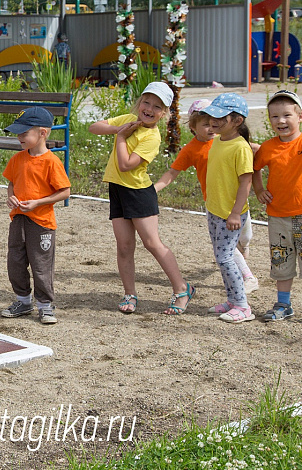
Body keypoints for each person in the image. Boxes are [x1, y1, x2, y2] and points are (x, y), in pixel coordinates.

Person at [89, 81, 195, 315]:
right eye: (146, 102)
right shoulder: (128, 119)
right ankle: (130, 293)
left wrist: (121, 138)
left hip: (138, 193)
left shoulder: (152, 137)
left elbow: (126, 165)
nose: (149, 108)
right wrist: (120, 129)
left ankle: (182, 289)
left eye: (157, 106)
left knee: (152, 243)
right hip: (117, 190)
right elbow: (94, 127)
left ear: (164, 113)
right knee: (124, 246)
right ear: (139, 102)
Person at [154, 99, 259, 293]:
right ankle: (248, 277)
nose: (211, 126)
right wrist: (153, 189)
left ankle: (242, 257)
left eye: (215, 120)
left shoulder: (226, 140)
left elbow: (255, 150)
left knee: (245, 239)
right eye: (205, 123)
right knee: (228, 248)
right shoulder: (190, 150)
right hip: (216, 204)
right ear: (193, 127)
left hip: (238, 203)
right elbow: (172, 173)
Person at [0, 107, 71, 324]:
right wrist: (11, 197)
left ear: (43, 133)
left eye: (24, 133)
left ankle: (45, 305)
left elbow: (65, 191)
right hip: (19, 218)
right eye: (18, 133)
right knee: (16, 261)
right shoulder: (17, 159)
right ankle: (23, 300)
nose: (19, 137)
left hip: (41, 222)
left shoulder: (51, 162)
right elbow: (11, 183)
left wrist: (38, 203)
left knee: (41, 265)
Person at [199, 94, 256, 323]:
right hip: (215, 210)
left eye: (220, 116)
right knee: (221, 256)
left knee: (225, 258)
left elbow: (246, 182)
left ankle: (243, 306)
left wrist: (235, 213)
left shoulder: (240, 148)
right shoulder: (218, 141)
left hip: (230, 214)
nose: (213, 120)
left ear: (237, 121)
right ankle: (233, 299)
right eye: (212, 114)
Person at [252, 89, 302, 322]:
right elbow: (255, 168)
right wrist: (260, 189)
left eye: (287, 115)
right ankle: (284, 303)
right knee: (281, 261)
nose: (281, 121)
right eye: (274, 116)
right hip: (278, 216)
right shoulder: (268, 147)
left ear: (299, 116)